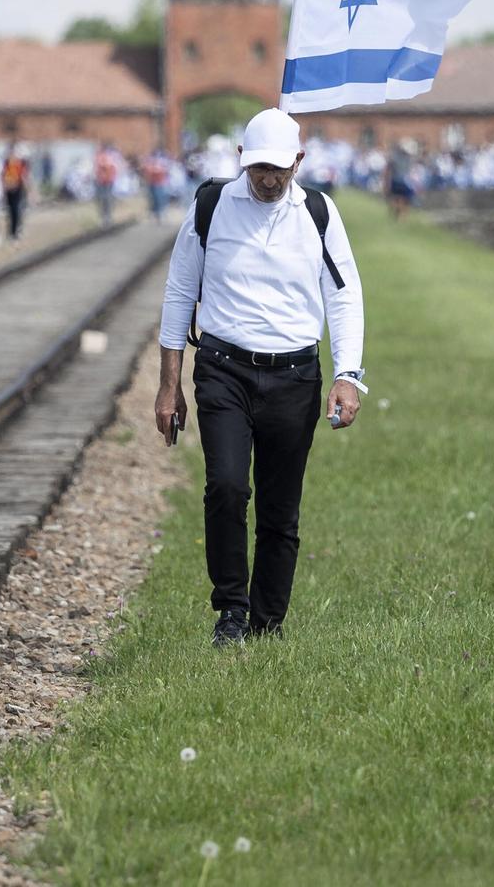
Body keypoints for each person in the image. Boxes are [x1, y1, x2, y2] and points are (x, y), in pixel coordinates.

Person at [154, 108, 365, 647]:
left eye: (280, 168)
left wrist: (348, 376)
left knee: (279, 508)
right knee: (225, 485)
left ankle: (267, 623)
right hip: (224, 370)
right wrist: (168, 382)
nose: (269, 179)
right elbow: (180, 292)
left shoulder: (318, 212)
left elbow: (343, 297)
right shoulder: (210, 206)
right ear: (243, 160)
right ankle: (230, 610)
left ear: (299, 160)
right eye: (259, 168)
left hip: (295, 376)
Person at [2, 144, 31, 243]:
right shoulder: (6, 163)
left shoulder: (20, 164)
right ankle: (11, 232)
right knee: (10, 211)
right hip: (9, 189)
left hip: (17, 189)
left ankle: (16, 231)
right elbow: (3, 176)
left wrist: (27, 189)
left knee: (16, 210)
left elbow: (23, 177)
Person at [92, 144, 121, 226]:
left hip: (108, 181)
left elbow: (110, 167)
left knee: (107, 199)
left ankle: (108, 217)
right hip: (101, 181)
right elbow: (97, 169)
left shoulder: (109, 157)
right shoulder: (98, 157)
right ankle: (104, 217)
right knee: (101, 200)